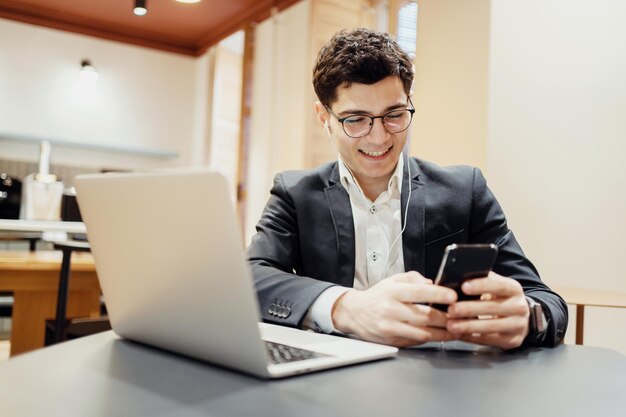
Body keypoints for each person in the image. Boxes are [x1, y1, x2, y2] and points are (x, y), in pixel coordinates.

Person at [247, 28, 567, 349]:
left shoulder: (465, 189)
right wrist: (345, 307)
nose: (379, 138)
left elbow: (546, 301)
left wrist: (529, 317)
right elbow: (250, 278)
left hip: (442, 382)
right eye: (356, 119)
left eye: (394, 115)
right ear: (324, 117)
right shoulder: (294, 193)